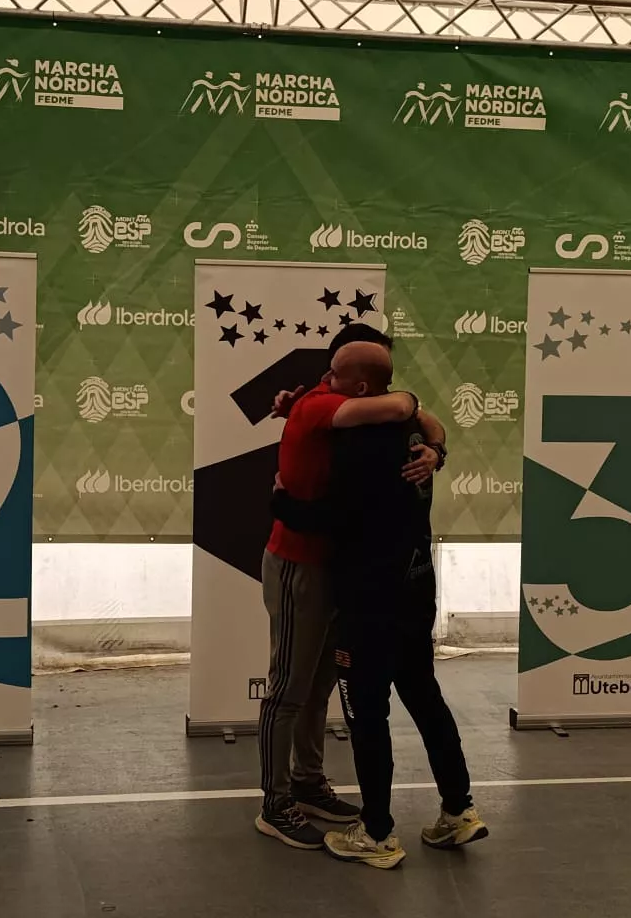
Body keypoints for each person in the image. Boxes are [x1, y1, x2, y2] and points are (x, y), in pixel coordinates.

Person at [272, 338, 486, 869]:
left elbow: (332, 519)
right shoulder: (417, 440)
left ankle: (376, 832)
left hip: (369, 598)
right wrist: (437, 448)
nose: (326, 380)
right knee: (425, 697)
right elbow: (422, 418)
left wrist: (279, 500)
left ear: (361, 387)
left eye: (335, 375)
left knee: (367, 713)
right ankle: (459, 810)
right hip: (416, 588)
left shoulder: (359, 444)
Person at [254, 324, 443, 850]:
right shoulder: (320, 406)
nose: (323, 375)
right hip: (298, 566)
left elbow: (421, 418)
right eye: (331, 367)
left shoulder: (351, 401)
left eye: (335, 369)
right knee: (287, 688)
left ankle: (308, 783)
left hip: (334, 569)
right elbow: (406, 406)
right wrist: (409, 404)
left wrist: (436, 452)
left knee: (317, 687)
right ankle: (275, 802)